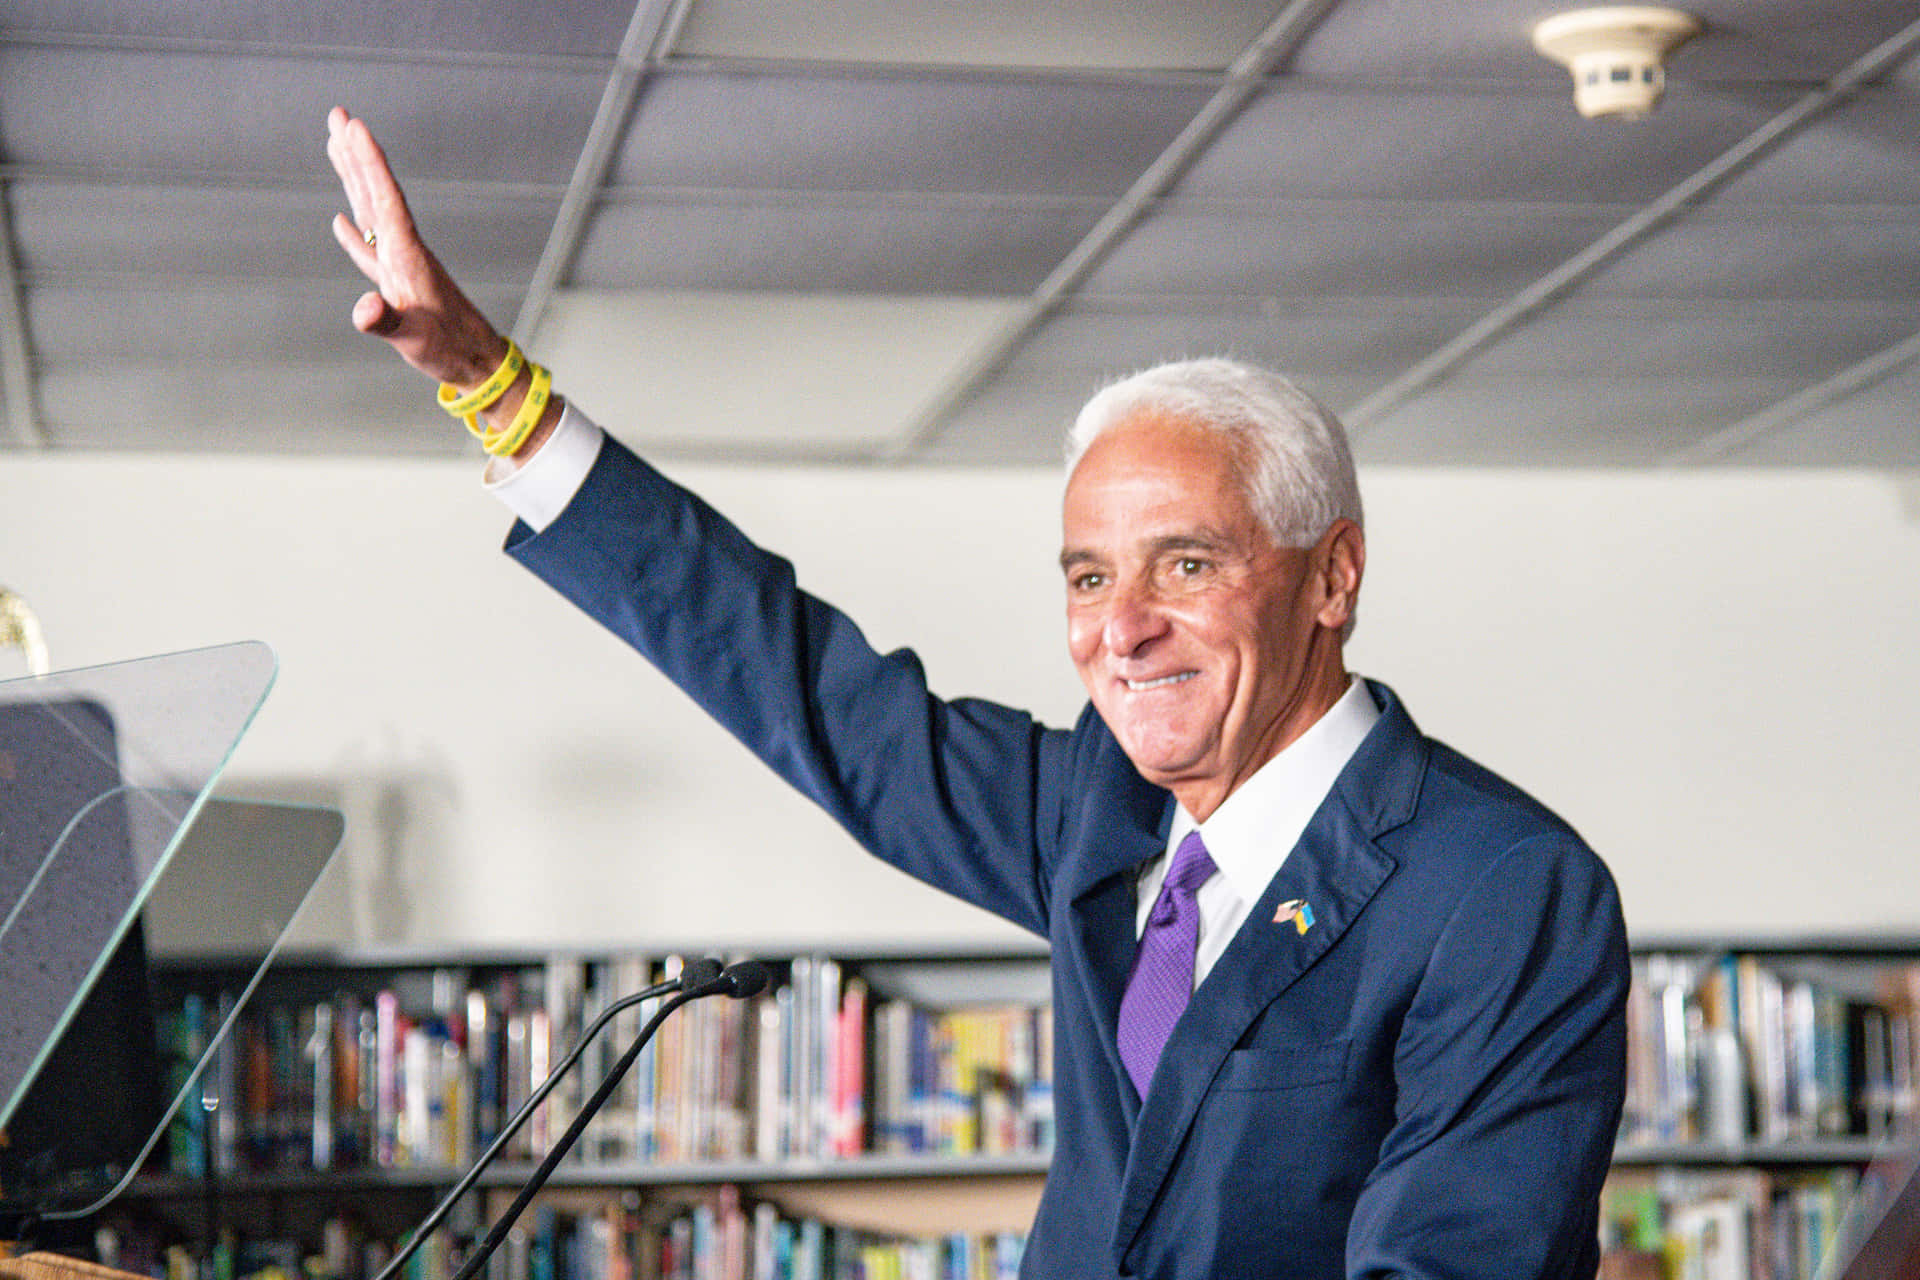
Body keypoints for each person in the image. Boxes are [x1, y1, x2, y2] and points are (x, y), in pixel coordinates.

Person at [327, 107, 1629, 1280]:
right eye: (1085, 576)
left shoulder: (1502, 887)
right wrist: (492, 389)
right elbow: (796, 680)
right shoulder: (1096, 809)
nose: (1121, 629)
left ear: (1331, 576)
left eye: (1187, 563)